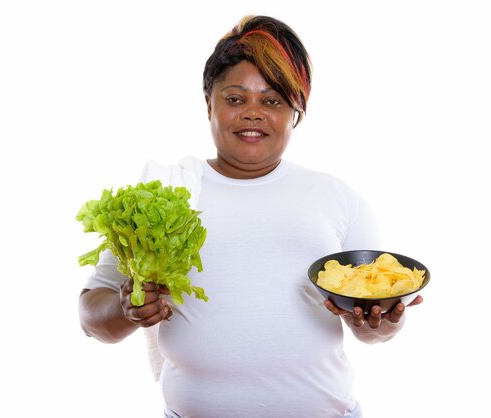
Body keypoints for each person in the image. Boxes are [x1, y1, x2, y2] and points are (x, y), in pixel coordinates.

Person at [78, 15, 423, 418]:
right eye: (235, 98)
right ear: (209, 103)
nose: (253, 113)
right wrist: (127, 309)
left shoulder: (338, 198)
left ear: (295, 112)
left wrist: (381, 327)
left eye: (272, 100)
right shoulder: (164, 197)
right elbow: (90, 317)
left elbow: (374, 321)